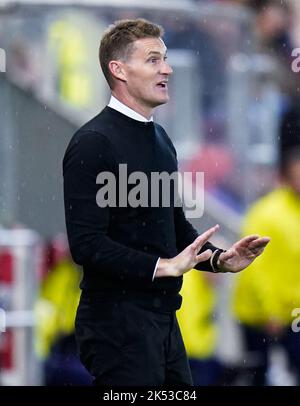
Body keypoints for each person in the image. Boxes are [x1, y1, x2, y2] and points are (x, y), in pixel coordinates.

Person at [63, 18, 270, 386]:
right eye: (154, 60)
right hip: (116, 325)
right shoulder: (93, 142)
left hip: (163, 322)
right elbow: (87, 245)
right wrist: (161, 267)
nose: (167, 69)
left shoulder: (160, 138)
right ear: (119, 70)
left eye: (166, 59)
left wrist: (221, 260)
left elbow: (174, 232)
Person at [233, 146, 300, 385]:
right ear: (286, 175)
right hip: (259, 314)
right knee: (257, 375)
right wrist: (269, 311)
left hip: (292, 313)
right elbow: (254, 267)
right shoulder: (267, 213)